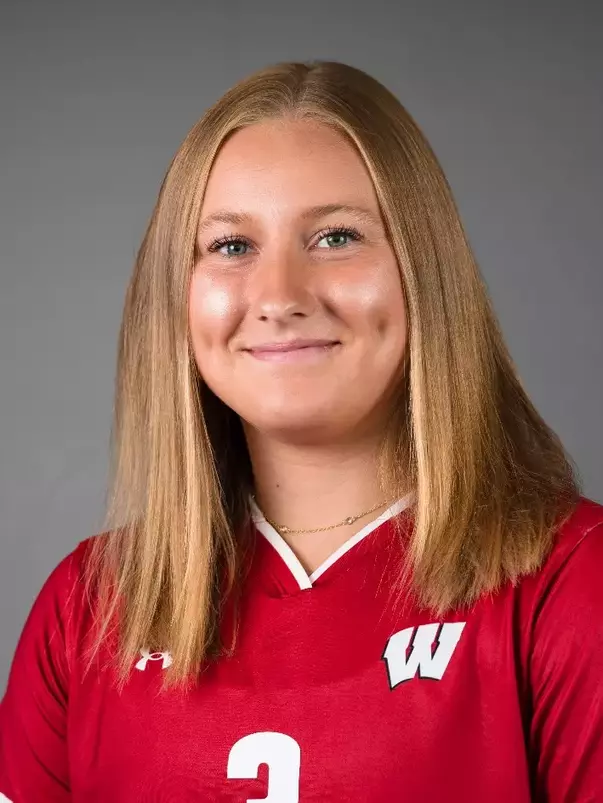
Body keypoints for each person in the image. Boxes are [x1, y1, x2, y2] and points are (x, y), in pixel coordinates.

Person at [0, 59, 601, 803]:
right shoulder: (85, 609)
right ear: (175, 295)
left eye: (336, 237)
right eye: (230, 246)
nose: (278, 295)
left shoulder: (571, 582)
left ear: (426, 268)